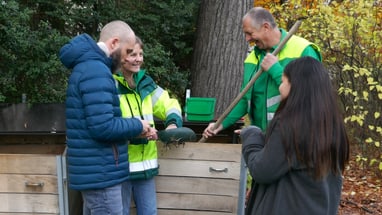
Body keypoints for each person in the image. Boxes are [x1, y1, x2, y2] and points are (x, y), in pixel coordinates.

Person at [59, 20, 155, 215]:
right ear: (114, 43)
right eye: (128, 51)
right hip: (101, 175)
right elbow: (102, 126)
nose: (126, 59)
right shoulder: (96, 71)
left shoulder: (89, 67)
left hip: (97, 173)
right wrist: (138, 124)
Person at [240, 56, 350, 215]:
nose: (280, 87)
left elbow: (262, 170)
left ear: (296, 86)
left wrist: (251, 134)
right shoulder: (333, 127)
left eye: (284, 81)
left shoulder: (290, 124)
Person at [202, 7, 322, 137]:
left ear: (266, 27)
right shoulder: (252, 58)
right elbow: (244, 98)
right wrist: (221, 123)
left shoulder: (304, 50)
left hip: (293, 139)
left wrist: (275, 69)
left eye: (250, 33)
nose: (247, 39)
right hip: (262, 140)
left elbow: (310, 96)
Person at [113, 36, 183, 215]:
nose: (138, 59)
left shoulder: (145, 84)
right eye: (132, 54)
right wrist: (136, 131)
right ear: (119, 56)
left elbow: (170, 104)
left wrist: (172, 124)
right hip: (119, 167)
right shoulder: (110, 84)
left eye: (140, 54)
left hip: (146, 169)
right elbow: (107, 123)